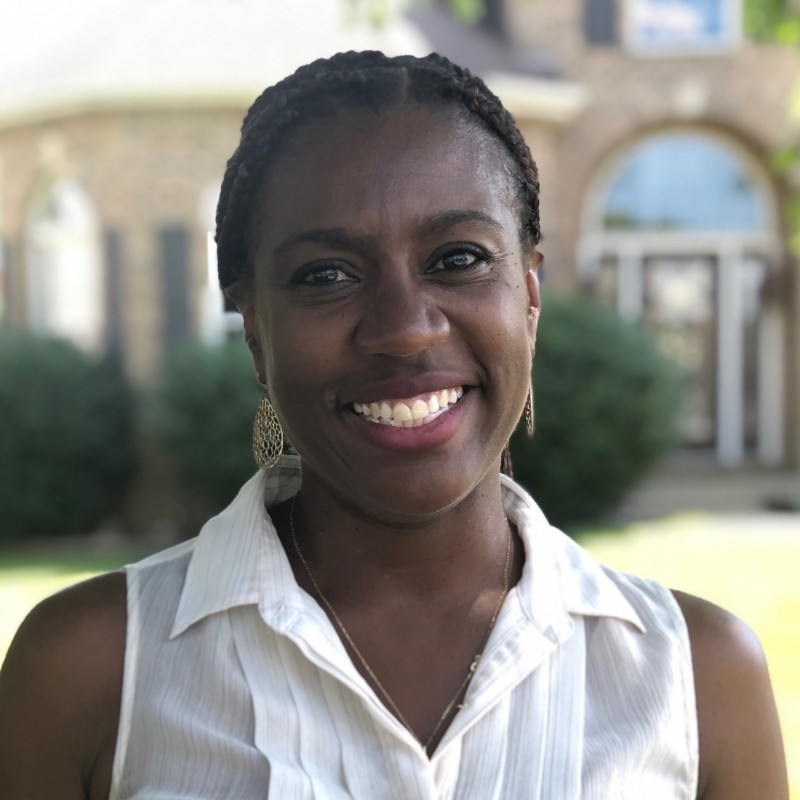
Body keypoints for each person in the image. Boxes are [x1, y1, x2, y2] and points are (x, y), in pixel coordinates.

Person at [0, 51, 788, 799]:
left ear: (531, 297)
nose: (406, 329)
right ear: (253, 332)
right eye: (327, 275)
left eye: (459, 258)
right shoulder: (93, 671)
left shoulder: (695, 677)